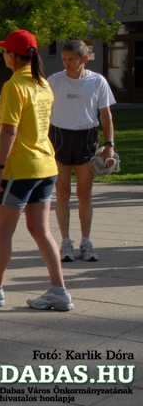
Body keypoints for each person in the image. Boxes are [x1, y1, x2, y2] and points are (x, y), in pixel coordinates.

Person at [0, 29, 74, 311]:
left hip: (21, 169)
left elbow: (9, 131)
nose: (4, 55)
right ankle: (59, 290)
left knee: (4, 230)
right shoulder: (42, 84)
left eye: (5, 51)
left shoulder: (14, 86)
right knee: (41, 229)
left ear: (13, 56)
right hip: (46, 165)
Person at [48, 39, 116, 263]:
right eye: (64, 59)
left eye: (72, 59)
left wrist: (110, 145)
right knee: (62, 192)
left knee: (84, 193)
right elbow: (43, 112)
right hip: (59, 137)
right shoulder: (54, 81)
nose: (67, 64)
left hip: (86, 138)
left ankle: (86, 241)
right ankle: (65, 241)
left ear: (84, 59)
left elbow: (106, 114)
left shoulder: (97, 81)